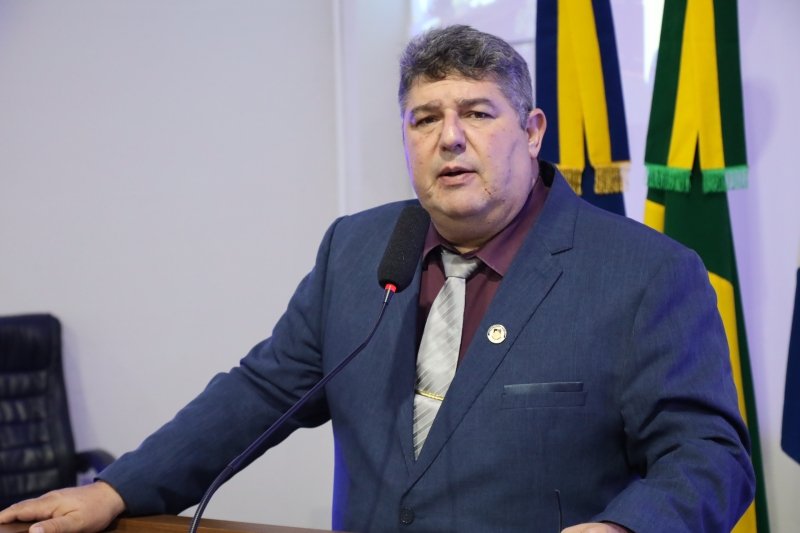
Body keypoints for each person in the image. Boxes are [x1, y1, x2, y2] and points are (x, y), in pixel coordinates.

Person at [0, 25, 754, 533]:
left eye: (477, 113)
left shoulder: (644, 272)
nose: (449, 138)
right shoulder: (358, 250)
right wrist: (117, 488)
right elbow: (258, 394)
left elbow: (709, 456)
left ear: (532, 132)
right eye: (424, 118)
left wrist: (625, 527)